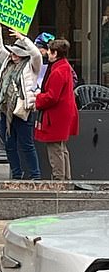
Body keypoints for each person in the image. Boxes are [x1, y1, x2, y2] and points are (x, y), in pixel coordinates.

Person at [0, 19, 42, 180]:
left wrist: (22, 38)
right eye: (12, 52)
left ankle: (35, 175)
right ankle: (16, 174)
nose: (13, 55)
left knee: (26, 145)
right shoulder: (7, 61)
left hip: (22, 110)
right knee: (9, 144)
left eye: (16, 53)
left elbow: (36, 54)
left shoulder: (32, 65)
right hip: (5, 110)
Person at [34, 39, 79, 180]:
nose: (47, 53)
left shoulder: (58, 71)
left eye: (49, 51)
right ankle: (66, 178)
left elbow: (52, 97)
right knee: (61, 148)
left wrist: (38, 97)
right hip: (64, 113)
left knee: (55, 149)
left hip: (56, 115)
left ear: (55, 53)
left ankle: (59, 179)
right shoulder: (65, 68)